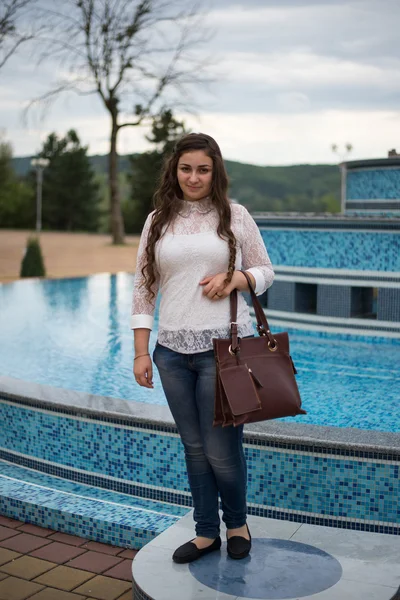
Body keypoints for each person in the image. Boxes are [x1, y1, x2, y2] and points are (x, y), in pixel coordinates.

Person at [131, 132, 274, 564]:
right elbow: (143, 286)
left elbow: (266, 270)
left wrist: (237, 279)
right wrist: (142, 351)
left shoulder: (235, 215)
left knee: (220, 450)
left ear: (216, 173)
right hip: (171, 352)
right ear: (175, 171)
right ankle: (206, 532)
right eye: (186, 168)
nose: (194, 177)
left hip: (223, 351)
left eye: (203, 169)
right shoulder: (157, 220)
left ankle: (236, 524)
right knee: (193, 448)